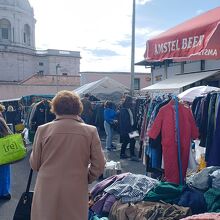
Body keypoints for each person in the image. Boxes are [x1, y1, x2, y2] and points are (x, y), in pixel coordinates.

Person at [29, 90, 106, 220]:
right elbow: (99, 164)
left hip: (46, 186)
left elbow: (35, 164)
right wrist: (86, 178)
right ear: (78, 108)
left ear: (55, 108)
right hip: (76, 186)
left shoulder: (43, 129)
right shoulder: (90, 131)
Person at [118, 95, 138, 161]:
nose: (133, 102)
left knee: (127, 142)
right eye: (131, 101)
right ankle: (131, 155)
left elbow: (131, 119)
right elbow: (124, 122)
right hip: (127, 130)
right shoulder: (123, 110)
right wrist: (130, 131)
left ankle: (123, 154)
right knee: (130, 141)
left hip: (131, 128)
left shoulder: (129, 109)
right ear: (128, 102)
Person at [0, 112, 12, 200]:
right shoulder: (0, 120)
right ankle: (4, 192)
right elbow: (8, 134)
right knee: (4, 171)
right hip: (3, 150)